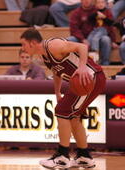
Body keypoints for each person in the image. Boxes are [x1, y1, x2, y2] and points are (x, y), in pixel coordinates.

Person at [20, 28, 106, 169]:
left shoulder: (53, 45)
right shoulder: (45, 56)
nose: (22, 48)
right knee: (73, 117)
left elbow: (82, 46)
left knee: (62, 111)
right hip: (87, 82)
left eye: (23, 44)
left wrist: (83, 67)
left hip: (91, 78)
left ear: (33, 43)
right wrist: (58, 93)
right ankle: (84, 156)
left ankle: (62, 156)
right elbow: (57, 72)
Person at [68, 0, 112, 65]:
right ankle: (72, 63)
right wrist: (83, 39)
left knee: (106, 39)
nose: (86, 1)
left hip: (97, 37)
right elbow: (74, 29)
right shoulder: (76, 12)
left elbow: (108, 24)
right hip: (81, 38)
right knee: (70, 40)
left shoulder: (99, 9)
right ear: (81, 1)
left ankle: (105, 63)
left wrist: (113, 39)